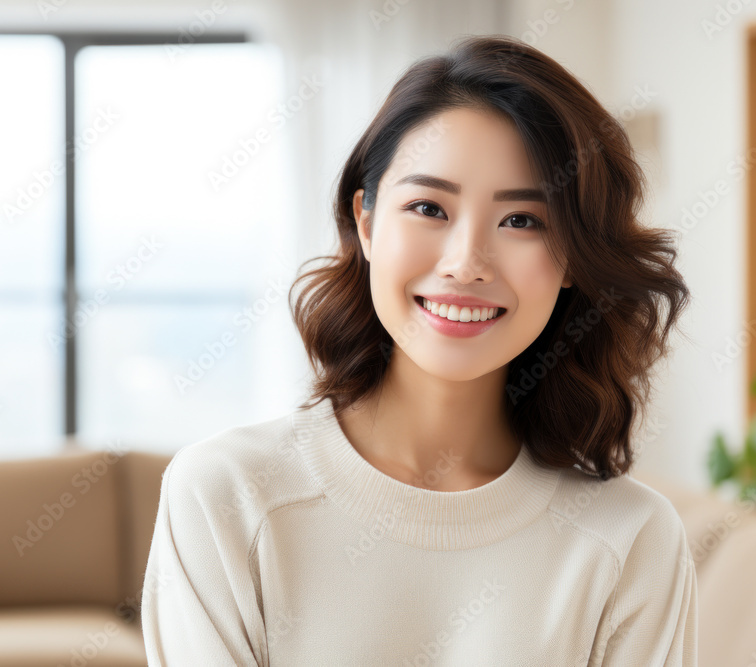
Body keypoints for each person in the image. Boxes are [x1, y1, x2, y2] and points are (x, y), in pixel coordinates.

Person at [142, 33, 698, 666]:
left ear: (572, 257)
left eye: (522, 220)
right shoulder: (226, 497)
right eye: (429, 207)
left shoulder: (632, 541)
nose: (465, 264)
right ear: (369, 223)